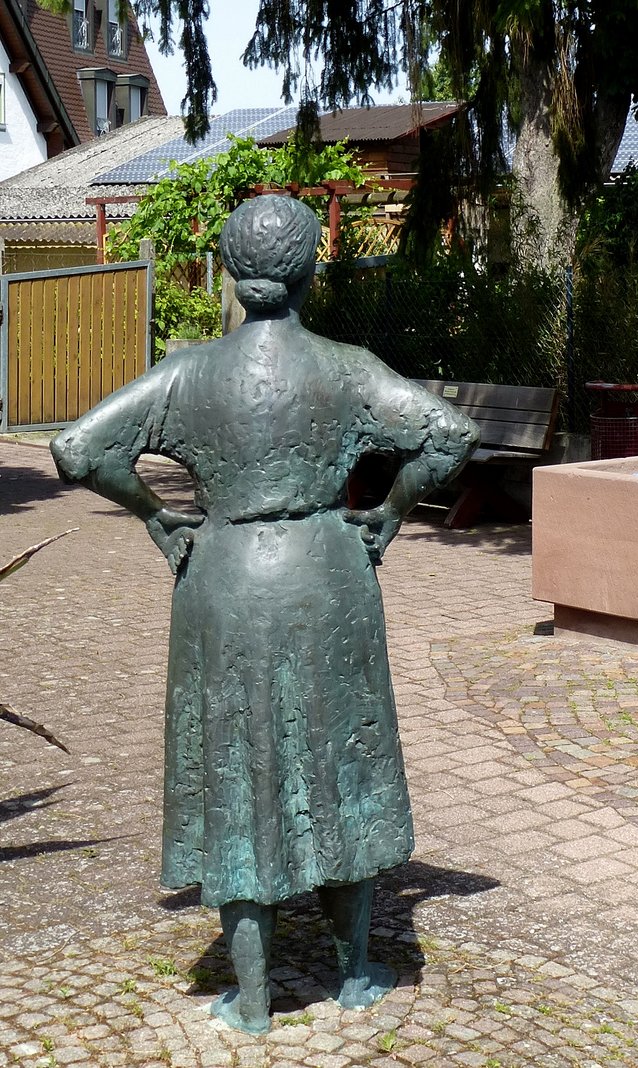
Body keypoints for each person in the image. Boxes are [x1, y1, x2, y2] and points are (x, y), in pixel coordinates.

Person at [50, 195, 479, 1034]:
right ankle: (355, 972)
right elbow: (449, 438)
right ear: (311, 270)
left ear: (232, 274)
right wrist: (389, 511)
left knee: (237, 773)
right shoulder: (346, 366)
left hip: (224, 577)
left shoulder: (188, 372)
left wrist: (151, 512)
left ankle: (251, 1000)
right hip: (327, 572)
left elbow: (78, 450)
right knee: (340, 761)